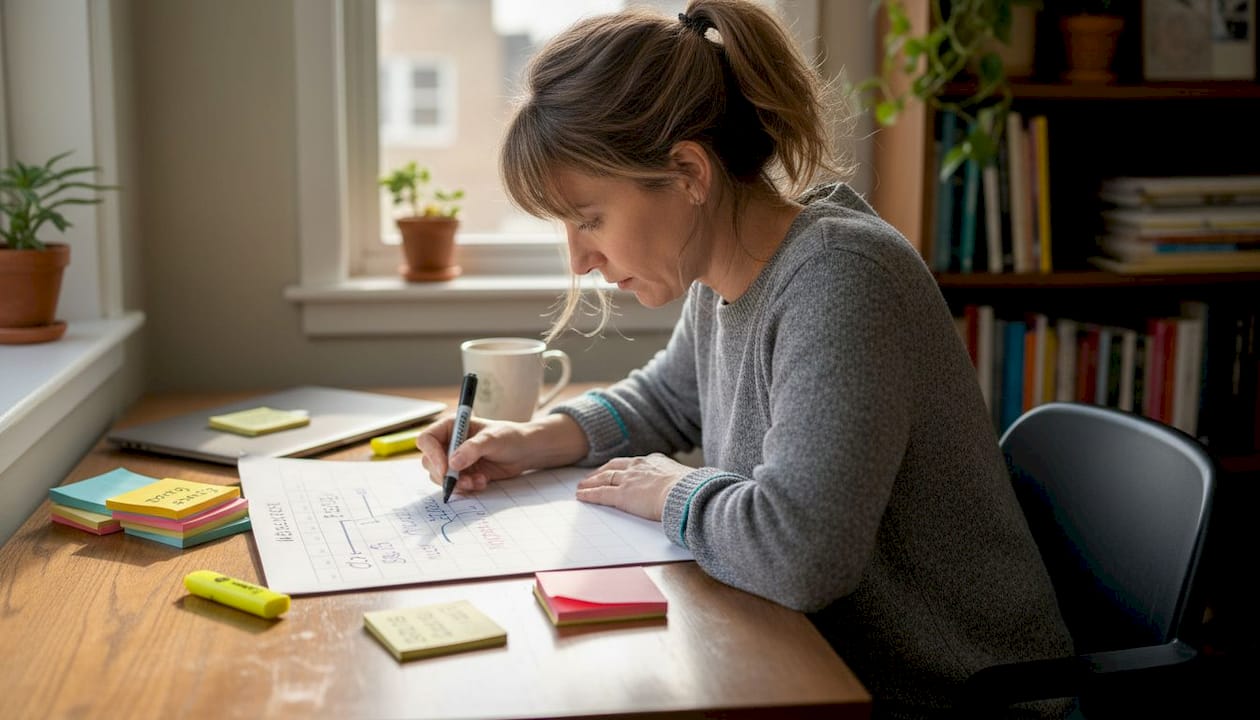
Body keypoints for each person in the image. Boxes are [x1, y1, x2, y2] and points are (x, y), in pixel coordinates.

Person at [417, 2, 1073, 717]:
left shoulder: (842, 278)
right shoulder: (725, 268)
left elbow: (800, 554)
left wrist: (669, 490)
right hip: (819, 666)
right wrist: (529, 441)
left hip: (951, 698)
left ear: (687, 172)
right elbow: (668, 400)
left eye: (589, 218)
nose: (580, 257)